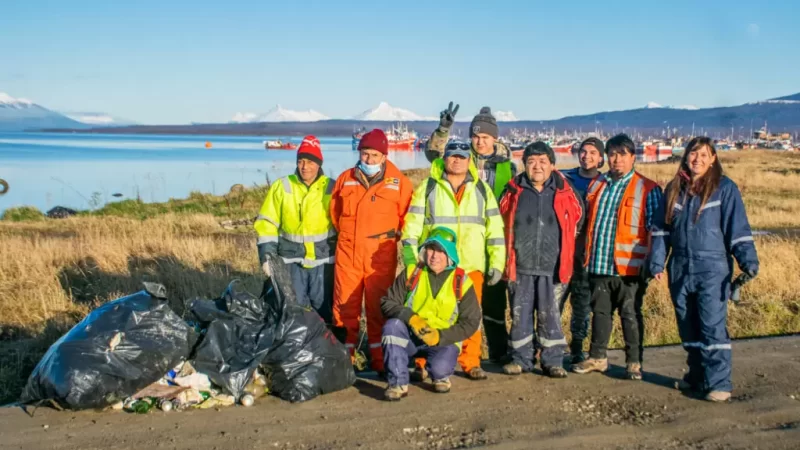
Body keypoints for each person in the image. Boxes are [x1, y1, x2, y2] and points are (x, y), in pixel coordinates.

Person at [649, 137, 758, 402]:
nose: (697, 159)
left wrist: (748, 260)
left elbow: (737, 229)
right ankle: (697, 377)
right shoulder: (674, 188)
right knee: (687, 325)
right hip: (680, 266)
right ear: (686, 156)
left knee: (711, 325)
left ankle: (719, 384)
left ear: (713, 159)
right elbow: (661, 229)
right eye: (693, 154)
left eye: (703, 155)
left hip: (713, 267)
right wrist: (656, 262)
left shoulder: (724, 188)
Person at [402, 143, 505, 380]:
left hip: (471, 264)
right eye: (452, 156)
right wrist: (411, 260)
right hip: (435, 266)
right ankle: (422, 362)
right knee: (427, 312)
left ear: (469, 160)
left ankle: (471, 362)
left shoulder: (482, 189)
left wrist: (496, 263)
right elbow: (412, 225)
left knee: (471, 316)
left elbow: (495, 230)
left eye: (462, 157)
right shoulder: (428, 187)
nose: (456, 161)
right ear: (445, 158)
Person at [425, 102, 517, 363]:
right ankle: (450, 356)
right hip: (464, 244)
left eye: (485, 137)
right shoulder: (461, 157)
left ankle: (498, 353)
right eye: (476, 136)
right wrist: (443, 130)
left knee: (494, 304)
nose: (479, 142)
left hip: (495, 241)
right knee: (456, 305)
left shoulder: (508, 166)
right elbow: (433, 153)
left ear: (494, 138)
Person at [571, 133, 662, 380]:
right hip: (599, 262)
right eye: (612, 154)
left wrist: (652, 263)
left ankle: (634, 362)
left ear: (633, 157)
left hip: (630, 267)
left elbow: (656, 231)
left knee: (630, 314)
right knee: (600, 313)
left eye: (622, 154)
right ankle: (598, 357)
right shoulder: (597, 185)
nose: (617, 160)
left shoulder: (647, 188)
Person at [330, 129, 413, 374]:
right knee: (344, 310)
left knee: (379, 310)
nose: (368, 159)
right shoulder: (345, 179)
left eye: (374, 155)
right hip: (348, 255)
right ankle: (343, 363)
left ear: (384, 156)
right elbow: (335, 213)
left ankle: (380, 362)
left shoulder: (399, 183)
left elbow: (407, 219)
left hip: (380, 258)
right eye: (365, 154)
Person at [498, 142, 584, 378]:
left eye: (543, 161)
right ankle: (521, 359)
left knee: (551, 317)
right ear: (524, 165)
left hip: (553, 267)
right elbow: (499, 219)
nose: (537, 166)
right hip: (520, 265)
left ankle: (552, 361)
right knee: (520, 315)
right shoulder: (513, 190)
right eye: (531, 161)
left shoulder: (565, 190)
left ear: (552, 165)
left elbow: (578, 217)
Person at [381, 227, 482, 400]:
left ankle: (440, 376)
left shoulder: (462, 281)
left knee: (439, 370)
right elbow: (387, 302)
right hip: (413, 336)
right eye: (430, 249)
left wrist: (440, 337)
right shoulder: (412, 273)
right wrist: (411, 318)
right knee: (392, 327)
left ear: (450, 255)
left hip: (443, 340)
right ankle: (397, 383)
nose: (434, 256)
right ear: (424, 250)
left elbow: (471, 321)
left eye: (441, 251)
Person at [254, 135, 336, 322]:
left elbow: (344, 224)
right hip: (290, 260)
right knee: (293, 309)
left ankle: (325, 341)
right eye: (301, 161)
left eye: (310, 162)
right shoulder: (281, 186)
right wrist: (267, 256)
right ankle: (296, 341)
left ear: (319, 164)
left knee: (324, 310)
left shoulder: (332, 187)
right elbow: (267, 224)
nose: (305, 166)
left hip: (324, 262)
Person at [560, 137, 604, 363]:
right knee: (553, 301)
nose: (587, 156)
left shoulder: (605, 183)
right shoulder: (564, 178)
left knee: (582, 304)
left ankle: (577, 346)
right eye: (584, 152)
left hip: (587, 254)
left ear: (601, 158)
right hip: (561, 251)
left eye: (593, 153)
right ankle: (546, 346)